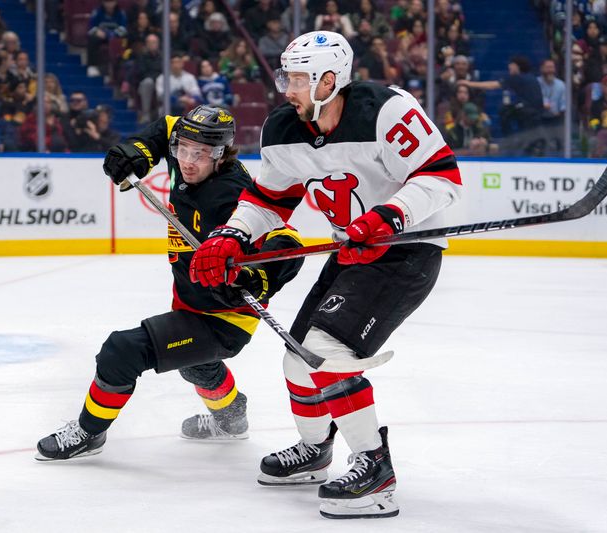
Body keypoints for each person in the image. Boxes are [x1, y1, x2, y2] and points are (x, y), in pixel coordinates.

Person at [189, 31, 462, 519]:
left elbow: (441, 176)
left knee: (328, 354)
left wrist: (388, 217)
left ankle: (376, 473)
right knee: (301, 359)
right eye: (286, 77)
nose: (286, 89)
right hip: (353, 247)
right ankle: (315, 451)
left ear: (328, 80)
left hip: (405, 248)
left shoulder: (387, 111)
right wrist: (232, 235)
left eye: (296, 79)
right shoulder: (283, 128)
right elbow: (270, 200)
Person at [35, 105, 304, 460]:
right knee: (194, 364)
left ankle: (88, 432)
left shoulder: (231, 195)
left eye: (200, 155)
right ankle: (230, 416)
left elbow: (290, 241)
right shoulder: (186, 154)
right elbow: (167, 127)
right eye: (182, 150)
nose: (188, 162)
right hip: (190, 302)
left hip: (225, 318)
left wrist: (255, 278)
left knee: (122, 351)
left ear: (221, 155)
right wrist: (138, 151)